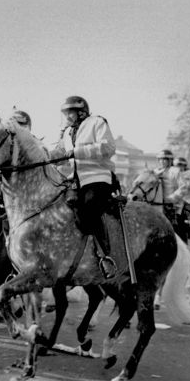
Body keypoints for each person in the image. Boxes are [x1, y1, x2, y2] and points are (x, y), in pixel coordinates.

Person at [49, 95, 116, 277]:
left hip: (97, 178)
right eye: (66, 113)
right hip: (75, 182)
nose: (68, 117)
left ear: (82, 112)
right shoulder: (67, 132)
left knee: (88, 207)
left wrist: (77, 152)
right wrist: (45, 155)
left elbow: (108, 148)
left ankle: (105, 256)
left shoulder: (97, 122)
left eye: (70, 113)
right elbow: (61, 152)